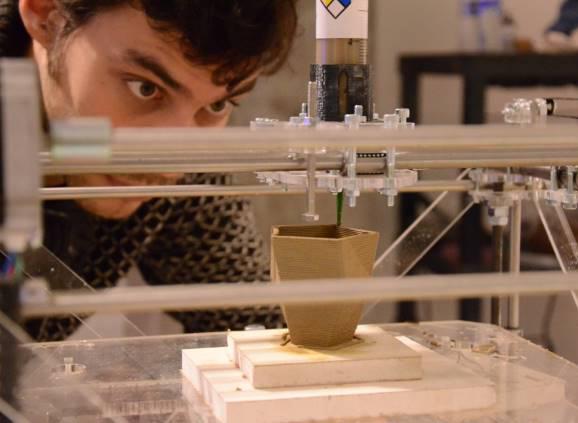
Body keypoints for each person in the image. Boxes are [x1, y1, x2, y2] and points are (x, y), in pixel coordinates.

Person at [0, 0, 298, 341]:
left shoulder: (172, 151)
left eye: (216, 105)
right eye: (144, 88)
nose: (170, 164)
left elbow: (255, 323)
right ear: (45, 15)